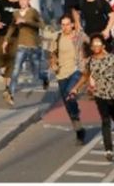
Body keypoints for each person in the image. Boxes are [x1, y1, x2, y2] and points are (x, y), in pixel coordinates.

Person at [49, 14, 88, 144]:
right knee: (68, 104)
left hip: (76, 70)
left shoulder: (79, 36)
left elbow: (91, 45)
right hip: (61, 73)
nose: (65, 27)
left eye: (67, 24)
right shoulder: (58, 37)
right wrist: (53, 63)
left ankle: (76, 112)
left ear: (72, 24)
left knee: (69, 93)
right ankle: (79, 131)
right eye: (63, 24)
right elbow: (52, 54)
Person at [3, 0, 46, 106]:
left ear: (28, 1)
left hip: (33, 46)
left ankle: (44, 77)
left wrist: (26, 21)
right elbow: (12, 27)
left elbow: (41, 25)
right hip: (21, 45)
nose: (22, 2)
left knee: (35, 73)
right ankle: (10, 94)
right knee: (16, 70)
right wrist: (6, 40)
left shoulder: (33, 12)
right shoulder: (16, 13)